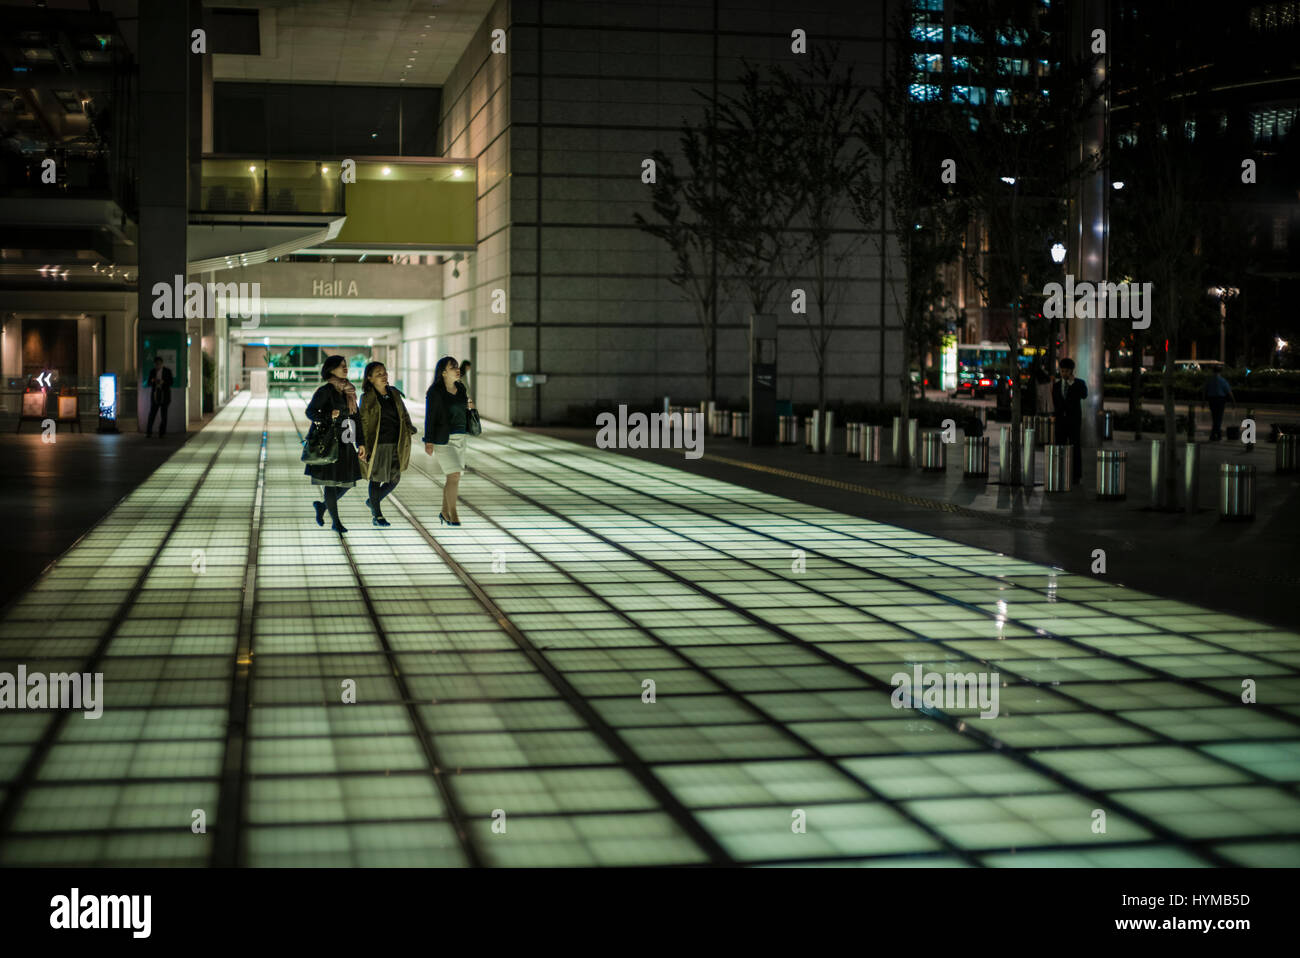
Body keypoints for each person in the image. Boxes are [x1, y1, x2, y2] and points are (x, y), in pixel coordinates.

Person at [305, 355, 365, 533]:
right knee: (330, 483)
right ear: (330, 370)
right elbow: (310, 412)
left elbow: (356, 418)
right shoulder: (326, 391)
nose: (344, 368)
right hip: (329, 441)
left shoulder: (349, 391)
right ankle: (335, 521)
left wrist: (360, 443)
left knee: (348, 481)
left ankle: (323, 506)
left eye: (345, 365)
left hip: (346, 441)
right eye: (340, 366)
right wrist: (328, 415)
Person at [359, 361, 417, 528]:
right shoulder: (367, 398)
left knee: (394, 478)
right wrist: (362, 444)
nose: (384, 376)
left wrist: (409, 427)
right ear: (369, 378)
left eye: (384, 373)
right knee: (376, 479)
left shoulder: (394, 394)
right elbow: (362, 421)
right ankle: (377, 514)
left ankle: (373, 501)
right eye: (379, 374)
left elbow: (403, 413)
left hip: (395, 443)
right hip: (378, 444)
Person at [423, 355, 475, 526]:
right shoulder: (435, 391)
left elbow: (464, 410)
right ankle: (454, 514)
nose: (457, 369)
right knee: (453, 475)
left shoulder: (461, 388)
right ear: (443, 372)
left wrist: (471, 407)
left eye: (457, 366)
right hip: (443, 440)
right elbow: (430, 417)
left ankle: (444, 512)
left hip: (461, 437)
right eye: (452, 366)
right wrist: (428, 441)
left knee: (453, 477)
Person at [1052, 357, 1088, 485]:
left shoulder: (1079, 383)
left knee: (1075, 447)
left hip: (1073, 421)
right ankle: (1060, 472)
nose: (1064, 374)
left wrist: (1073, 385)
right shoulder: (1056, 385)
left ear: (1072, 371)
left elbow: (1084, 395)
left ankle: (1076, 475)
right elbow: (1056, 402)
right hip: (1060, 421)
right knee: (1059, 446)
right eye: (1062, 371)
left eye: (1066, 371)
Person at [1204, 370, 1235, 441]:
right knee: (1219, 417)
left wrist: (1203, 401)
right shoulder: (1223, 381)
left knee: (1214, 417)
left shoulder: (1209, 380)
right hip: (1220, 400)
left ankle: (1216, 435)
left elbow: (1205, 391)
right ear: (1220, 373)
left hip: (1211, 399)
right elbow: (1229, 392)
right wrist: (1233, 402)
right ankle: (1216, 435)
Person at [145, 355, 173, 438]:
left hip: (164, 394)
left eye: (159, 364)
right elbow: (148, 383)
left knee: (164, 415)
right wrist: (153, 381)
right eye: (156, 364)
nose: (157, 366)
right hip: (155, 394)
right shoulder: (152, 371)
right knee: (152, 413)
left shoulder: (167, 371)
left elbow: (171, 382)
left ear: (162, 364)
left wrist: (163, 382)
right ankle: (149, 432)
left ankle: (162, 432)